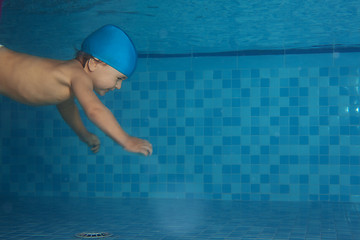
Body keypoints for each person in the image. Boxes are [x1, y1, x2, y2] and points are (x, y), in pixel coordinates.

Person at [0, 24, 153, 156]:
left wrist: (83, 133)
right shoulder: (77, 75)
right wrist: (125, 140)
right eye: (118, 78)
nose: (118, 86)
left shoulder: (70, 79)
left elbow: (65, 106)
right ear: (94, 64)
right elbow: (95, 110)